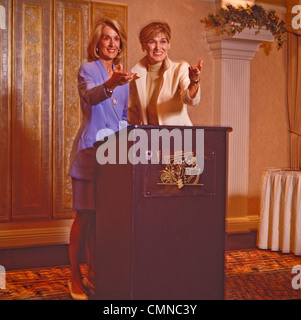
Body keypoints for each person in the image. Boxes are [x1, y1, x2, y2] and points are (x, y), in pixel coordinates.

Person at [68, 17, 135, 300]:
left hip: (113, 159)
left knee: (105, 219)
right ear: (97, 43)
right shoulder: (89, 69)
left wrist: (132, 140)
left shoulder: (123, 76)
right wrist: (110, 83)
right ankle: (73, 275)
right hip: (88, 154)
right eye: (107, 38)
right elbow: (91, 96)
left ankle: (98, 274)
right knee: (84, 217)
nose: (112, 43)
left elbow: (121, 118)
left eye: (116, 38)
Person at [128, 21, 203, 126]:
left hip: (179, 139)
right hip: (148, 139)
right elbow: (133, 114)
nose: (158, 47)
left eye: (163, 41)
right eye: (152, 41)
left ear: (168, 45)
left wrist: (194, 81)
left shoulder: (180, 68)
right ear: (143, 46)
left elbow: (190, 100)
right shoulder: (135, 75)